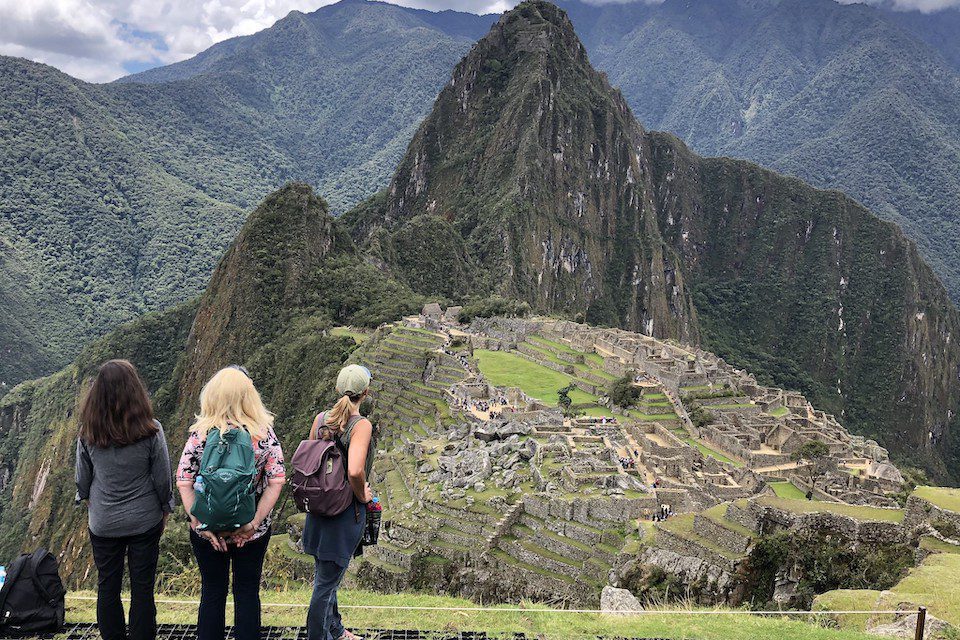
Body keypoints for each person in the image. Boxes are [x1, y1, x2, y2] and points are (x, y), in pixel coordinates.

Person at [176, 366, 285, 640]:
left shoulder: (200, 435)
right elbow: (277, 480)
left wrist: (201, 525)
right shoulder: (263, 435)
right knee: (247, 592)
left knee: (212, 592)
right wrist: (253, 523)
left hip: (209, 529)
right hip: (251, 531)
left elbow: (183, 481)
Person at [75, 359, 174, 640]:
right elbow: (162, 477)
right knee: (142, 588)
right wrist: (165, 509)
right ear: (135, 390)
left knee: (108, 586)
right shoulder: (151, 430)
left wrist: (92, 504)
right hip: (144, 520)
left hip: (104, 522)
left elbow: (82, 480)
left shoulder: (88, 433)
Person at [302, 365, 376, 640]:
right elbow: (356, 470)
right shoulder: (361, 425)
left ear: (337, 389)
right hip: (343, 512)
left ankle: (335, 629)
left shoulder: (321, 419)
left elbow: (310, 463)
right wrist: (362, 496)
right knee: (325, 585)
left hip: (319, 508)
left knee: (326, 576)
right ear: (365, 393)